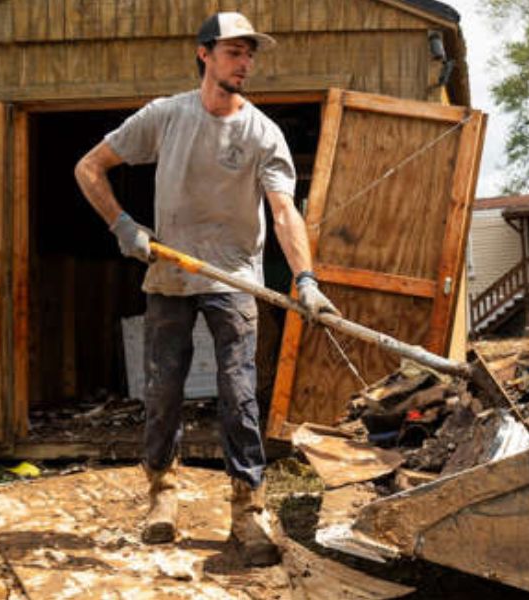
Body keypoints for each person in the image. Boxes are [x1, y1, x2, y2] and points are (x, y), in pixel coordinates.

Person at [73, 11, 338, 566]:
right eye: (235, 53)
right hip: (170, 275)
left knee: (239, 394)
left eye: (250, 55)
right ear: (204, 54)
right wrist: (123, 225)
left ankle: (248, 510)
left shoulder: (263, 132)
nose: (245, 64)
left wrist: (306, 279)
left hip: (234, 277)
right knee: (163, 390)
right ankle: (162, 497)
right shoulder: (166, 117)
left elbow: (285, 212)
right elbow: (89, 168)